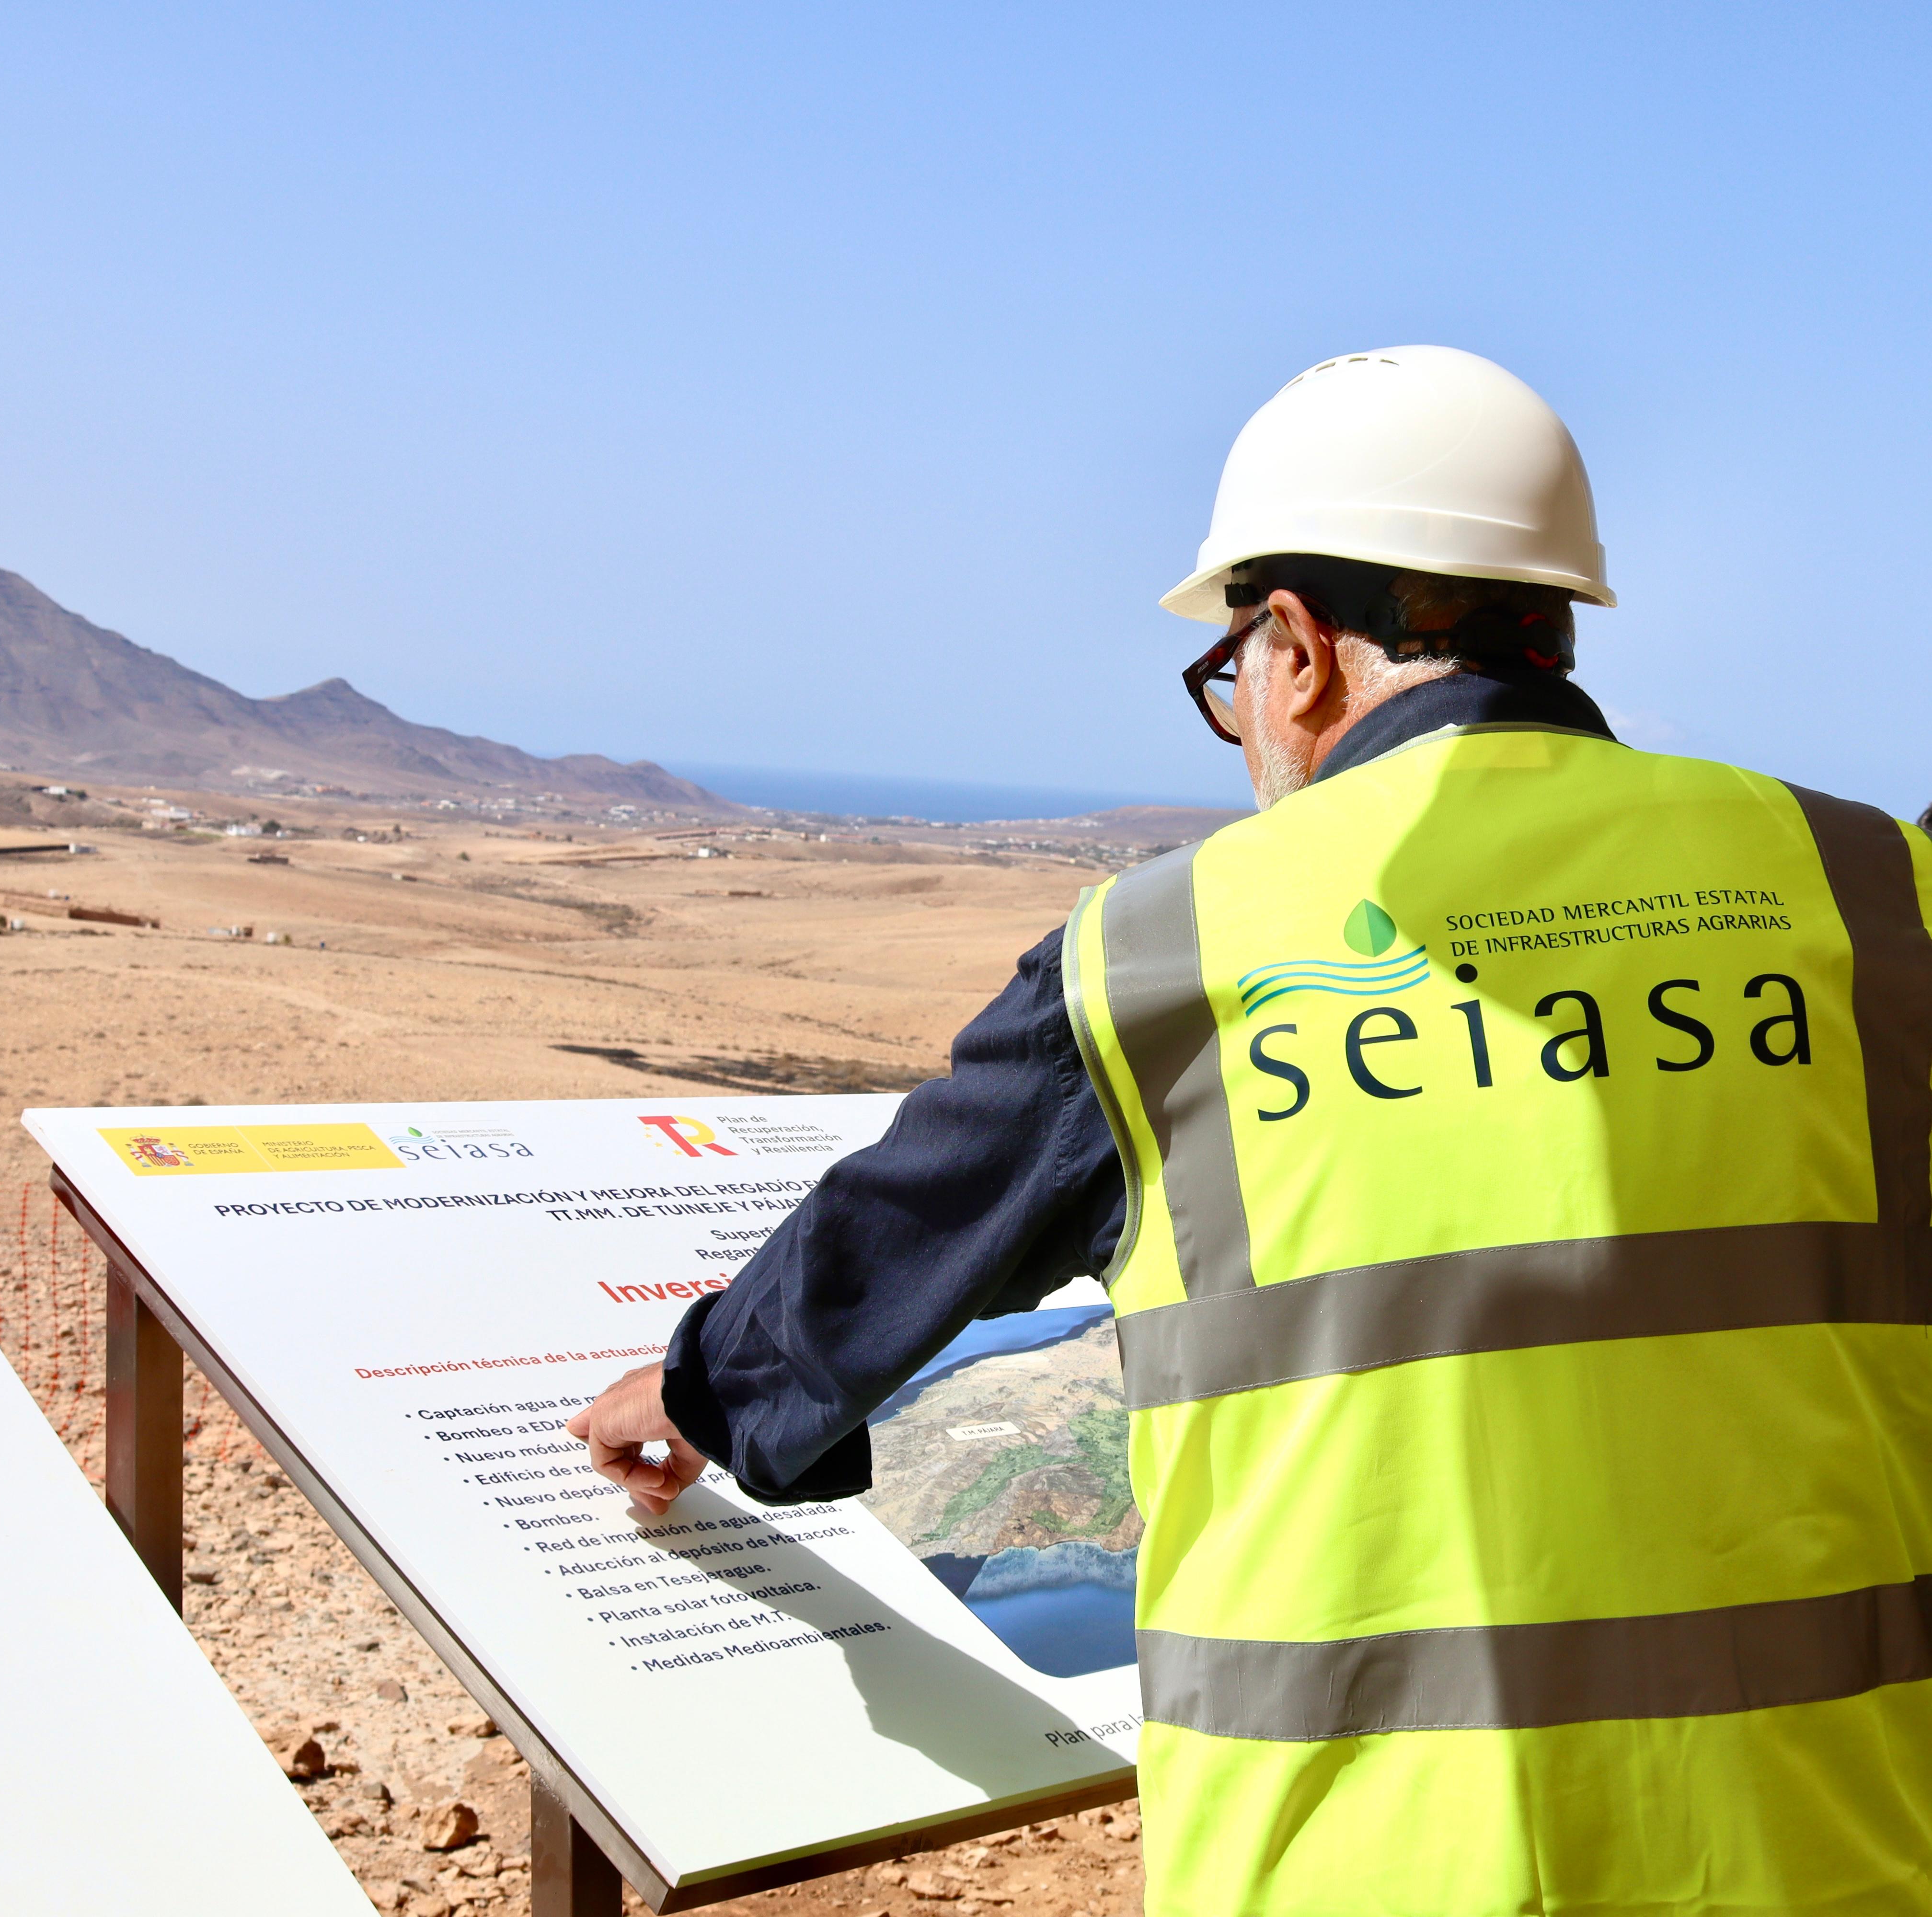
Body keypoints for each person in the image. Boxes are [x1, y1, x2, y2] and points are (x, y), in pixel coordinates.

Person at [571, 346, 1932, 1915]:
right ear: (1557, 618)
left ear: (1295, 647)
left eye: (1232, 674)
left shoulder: (1162, 958)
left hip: (1360, 1871)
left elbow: (910, 1224)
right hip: (1833, 1852)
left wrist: (706, 1388)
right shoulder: (1873, 895)